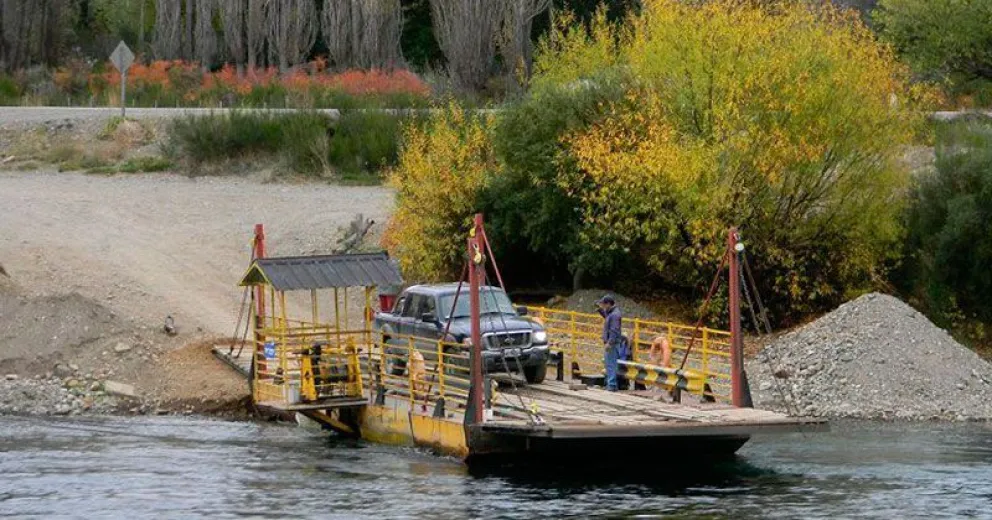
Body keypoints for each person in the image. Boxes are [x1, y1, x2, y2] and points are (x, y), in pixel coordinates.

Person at [596, 294, 622, 391]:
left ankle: (612, 385)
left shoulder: (614, 315)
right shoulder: (612, 313)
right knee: (609, 363)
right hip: (612, 342)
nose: (602, 306)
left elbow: (614, 330)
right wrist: (600, 311)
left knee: (611, 364)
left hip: (612, 343)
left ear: (608, 304)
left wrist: (609, 343)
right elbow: (607, 318)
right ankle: (611, 384)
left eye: (603, 304)